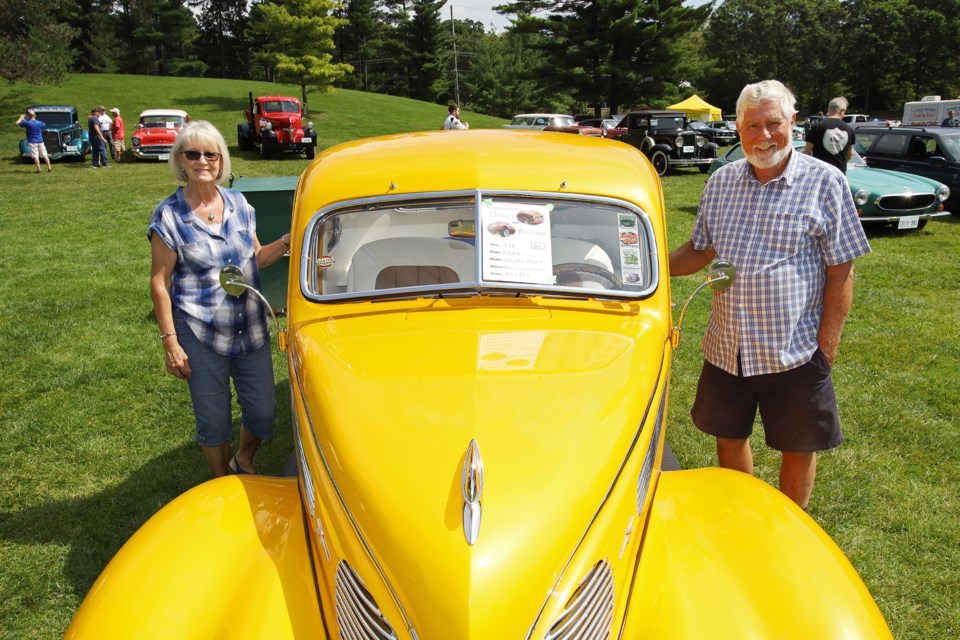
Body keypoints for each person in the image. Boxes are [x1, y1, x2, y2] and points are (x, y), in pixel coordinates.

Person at [669, 80, 871, 510]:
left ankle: (789, 528)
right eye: (752, 126)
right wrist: (643, 266)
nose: (764, 136)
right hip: (728, 347)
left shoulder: (825, 182)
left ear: (793, 123)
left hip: (794, 350)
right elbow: (700, 250)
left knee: (797, 448)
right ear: (738, 129)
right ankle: (742, 518)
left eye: (773, 123)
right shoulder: (721, 182)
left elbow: (842, 268)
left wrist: (827, 346)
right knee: (729, 438)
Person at [148, 120, 291, 478]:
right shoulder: (169, 216)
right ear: (180, 159)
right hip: (200, 332)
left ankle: (244, 457)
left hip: (250, 327)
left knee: (262, 410)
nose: (202, 161)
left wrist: (290, 239)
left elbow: (254, 259)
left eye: (210, 154)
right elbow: (160, 282)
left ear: (221, 159)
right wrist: (170, 342)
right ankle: (222, 483)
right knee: (213, 419)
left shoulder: (240, 204)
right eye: (192, 153)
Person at [803, 96, 855, 173]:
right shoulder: (849, 129)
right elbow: (850, 155)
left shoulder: (817, 127)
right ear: (842, 111)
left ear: (829, 109)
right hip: (839, 173)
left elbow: (806, 153)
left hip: (819, 173)